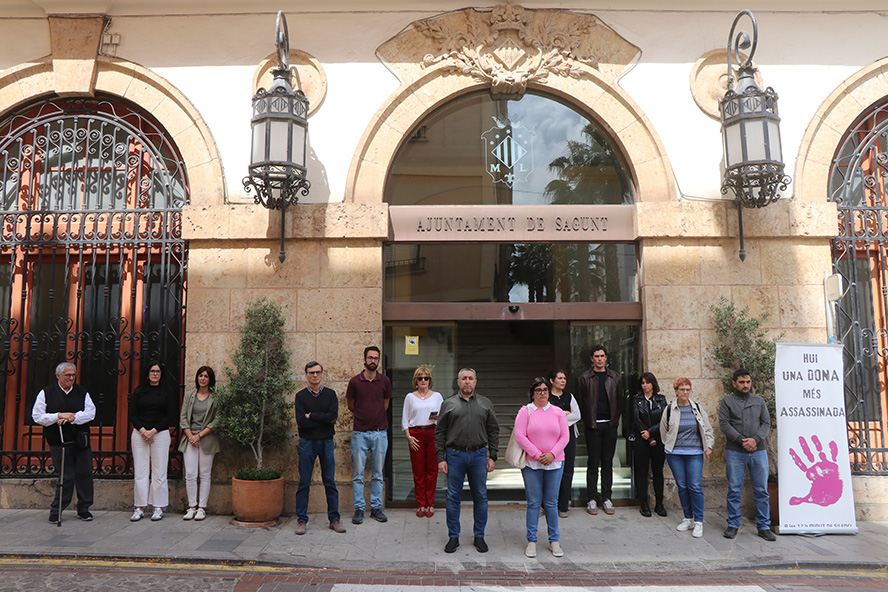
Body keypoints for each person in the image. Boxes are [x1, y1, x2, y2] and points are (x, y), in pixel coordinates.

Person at [435, 368, 499, 554]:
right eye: (464, 379)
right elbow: (439, 432)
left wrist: (493, 456)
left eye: (471, 378)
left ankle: (479, 536)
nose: (467, 382)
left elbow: (493, 431)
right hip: (455, 455)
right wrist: (441, 458)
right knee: (453, 497)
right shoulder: (449, 404)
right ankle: (453, 537)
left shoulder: (485, 404)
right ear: (458, 382)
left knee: (480, 497)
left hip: (479, 455)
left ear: (476, 382)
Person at [31, 362, 96, 523]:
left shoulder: (82, 392)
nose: (71, 378)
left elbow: (91, 413)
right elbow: (37, 416)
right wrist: (58, 416)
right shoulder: (47, 392)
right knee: (66, 476)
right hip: (58, 441)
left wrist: (73, 417)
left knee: (85, 474)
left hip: (80, 441)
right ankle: (57, 510)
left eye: (74, 375)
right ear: (59, 376)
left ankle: (84, 508)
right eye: (68, 375)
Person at [514, 377, 570, 558]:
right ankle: (532, 540)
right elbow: (520, 436)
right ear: (533, 393)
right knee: (533, 502)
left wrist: (552, 454)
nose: (542, 393)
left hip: (555, 463)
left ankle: (554, 540)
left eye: (545, 390)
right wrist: (538, 455)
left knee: (552, 503)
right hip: (532, 464)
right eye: (538, 390)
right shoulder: (526, 411)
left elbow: (565, 437)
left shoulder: (558, 412)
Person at [718, 368, 776, 542]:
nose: (745, 385)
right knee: (734, 489)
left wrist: (755, 440)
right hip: (735, 451)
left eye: (748, 382)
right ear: (734, 383)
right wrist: (743, 440)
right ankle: (733, 524)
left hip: (758, 451)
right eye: (742, 382)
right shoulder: (727, 402)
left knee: (762, 490)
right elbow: (724, 424)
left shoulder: (759, 401)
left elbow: (766, 422)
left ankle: (764, 526)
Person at [294, 361, 346, 534]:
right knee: (304, 482)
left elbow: (332, 418)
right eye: (311, 373)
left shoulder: (330, 395)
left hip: (326, 442)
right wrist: (320, 419)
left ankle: (334, 519)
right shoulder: (300, 396)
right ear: (306, 375)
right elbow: (301, 421)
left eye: (317, 372)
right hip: (307, 443)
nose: (315, 375)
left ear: (322, 374)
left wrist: (312, 416)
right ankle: (301, 520)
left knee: (330, 481)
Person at [660, 377, 714, 538]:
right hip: (675, 454)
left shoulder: (696, 408)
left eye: (687, 389)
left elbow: (707, 428)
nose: (685, 392)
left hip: (694, 453)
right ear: (675, 391)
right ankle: (688, 518)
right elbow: (664, 431)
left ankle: (699, 521)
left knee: (695, 486)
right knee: (682, 486)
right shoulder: (670, 409)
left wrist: (708, 446)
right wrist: (669, 447)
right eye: (682, 389)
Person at [346, 346, 393, 525]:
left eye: (376, 358)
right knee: (358, 474)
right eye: (370, 358)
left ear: (379, 361)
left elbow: (385, 404)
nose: (373, 361)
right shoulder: (355, 382)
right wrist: (363, 416)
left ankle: (375, 507)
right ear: (364, 360)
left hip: (380, 433)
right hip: (360, 433)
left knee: (378, 473)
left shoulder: (385, 381)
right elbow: (351, 404)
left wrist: (375, 417)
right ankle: (359, 508)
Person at [576, 345, 623, 516]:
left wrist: (615, 422)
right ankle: (591, 499)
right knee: (593, 463)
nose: (599, 359)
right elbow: (581, 401)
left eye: (602, 356)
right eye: (596, 356)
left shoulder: (615, 377)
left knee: (608, 462)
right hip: (593, 426)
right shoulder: (584, 378)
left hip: (609, 425)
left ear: (606, 357)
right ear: (591, 358)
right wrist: (588, 421)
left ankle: (607, 498)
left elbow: (619, 401)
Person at [129, 361, 178, 522]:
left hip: (160, 434)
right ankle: (139, 507)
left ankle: (158, 506)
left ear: (161, 374)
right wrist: (143, 431)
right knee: (141, 471)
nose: (155, 373)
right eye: (152, 371)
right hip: (140, 433)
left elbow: (170, 415)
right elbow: (132, 414)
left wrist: (153, 431)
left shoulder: (167, 392)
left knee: (159, 471)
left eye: (158, 371)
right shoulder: (139, 391)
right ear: (147, 373)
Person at [178, 365, 220, 521]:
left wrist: (200, 435)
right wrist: (191, 436)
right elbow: (183, 418)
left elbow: (217, 420)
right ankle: (191, 507)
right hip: (190, 439)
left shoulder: (215, 397)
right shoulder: (189, 396)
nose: (203, 378)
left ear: (210, 380)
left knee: (205, 474)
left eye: (206, 376)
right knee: (190, 474)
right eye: (200, 375)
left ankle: (202, 508)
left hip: (207, 439)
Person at [401, 366, 444, 518]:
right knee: (418, 471)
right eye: (420, 378)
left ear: (430, 380)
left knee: (432, 471)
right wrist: (409, 437)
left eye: (426, 378)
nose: (423, 381)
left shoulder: (437, 396)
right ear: (416, 381)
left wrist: (438, 418)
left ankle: (430, 503)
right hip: (416, 434)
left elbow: (443, 418)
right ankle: (421, 503)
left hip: (432, 432)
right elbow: (405, 419)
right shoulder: (410, 397)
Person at [631, 372, 668, 517]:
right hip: (641, 440)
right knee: (642, 472)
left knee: (658, 471)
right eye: (643, 383)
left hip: (658, 439)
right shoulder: (636, 399)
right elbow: (635, 419)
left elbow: (664, 420)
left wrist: (651, 433)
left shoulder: (661, 399)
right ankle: (644, 503)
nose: (645, 385)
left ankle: (659, 503)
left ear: (653, 384)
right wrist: (646, 436)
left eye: (647, 382)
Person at [547, 368, 580, 518]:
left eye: (564, 378)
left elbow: (577, 415)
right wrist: (564, 415)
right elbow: (543, 417)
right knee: (549, 469)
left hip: (568, 438)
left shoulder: (569, 397)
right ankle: (547, 503)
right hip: (550, 438)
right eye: (559, 378)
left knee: (568, 470)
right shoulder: (546, 397)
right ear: (552, 381)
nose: (563, 381)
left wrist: (558, 419)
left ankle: (563, 505)